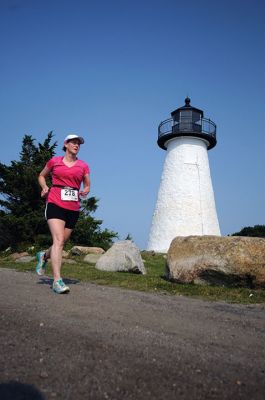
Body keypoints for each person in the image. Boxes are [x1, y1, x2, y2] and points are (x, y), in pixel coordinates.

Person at [36, 134, 90, 294]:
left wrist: (86, 190)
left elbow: (87, 185)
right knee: (58, 240)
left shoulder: (83, 165)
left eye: (79, 143)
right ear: (66, 144)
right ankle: (57, 281)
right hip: (55, 202)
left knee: (60, 243)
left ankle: (44, 256)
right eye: (74, 142)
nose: (77, 145)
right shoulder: (55, 161)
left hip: (73, 207)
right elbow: (41, 175)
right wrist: (45, 187)